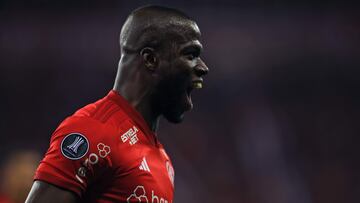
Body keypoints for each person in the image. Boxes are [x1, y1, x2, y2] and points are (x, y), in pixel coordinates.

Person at [25, 5, 209, 203]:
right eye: (190, 55)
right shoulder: (92, 131)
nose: (203, 67)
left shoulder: (162, 157)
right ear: (150, 59)